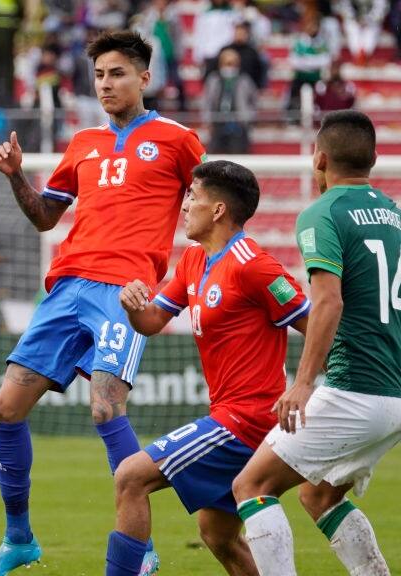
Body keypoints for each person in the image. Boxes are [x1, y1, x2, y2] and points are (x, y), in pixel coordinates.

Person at [0, 30, 205, 576]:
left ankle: (141, 548)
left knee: (104, 406)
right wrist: (16, 178)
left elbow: (212, 202)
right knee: (4, 410)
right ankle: (19, 541)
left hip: (124, 292)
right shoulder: (82, 143)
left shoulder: (177, 139)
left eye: (118, 73)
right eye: (99, 75)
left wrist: (198, 275)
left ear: (144, 77)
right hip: (67, 287)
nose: (106, 84)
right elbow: (45, 216)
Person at [105, 160, 310, 576]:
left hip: (249, 421)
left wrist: (305, 385)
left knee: (131, 476)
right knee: (217, 534)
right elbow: (151, 322)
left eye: (192, 197)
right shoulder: (194, 262)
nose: (184, 206)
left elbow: (316, 322)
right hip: (227, 416)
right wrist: (132, 306)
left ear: (218, 210)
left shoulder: (255, 265)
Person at [232, 110, 400, 576]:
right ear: (374, 159)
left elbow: (327, 302)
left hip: (354, 388)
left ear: (319, 158)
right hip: (394, 393)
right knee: (319, 494)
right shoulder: (396, 215)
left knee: (252, 485)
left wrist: (303, 382)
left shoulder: (322, 213)